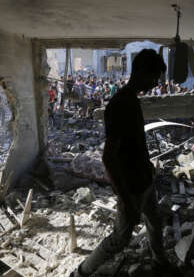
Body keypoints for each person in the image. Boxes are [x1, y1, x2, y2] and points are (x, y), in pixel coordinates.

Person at [71, 49, 178, 277]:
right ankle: (81, 272)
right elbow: (109, 156)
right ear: (140, 71)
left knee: (154, 221)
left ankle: (160, 262)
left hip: (144, 178)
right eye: (153, 78)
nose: (154, 84)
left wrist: (148, 168)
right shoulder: (120, 104)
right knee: (120, 237)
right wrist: (125, 196)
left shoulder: (131, 100)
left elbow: (134, 143)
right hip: (132, 186)